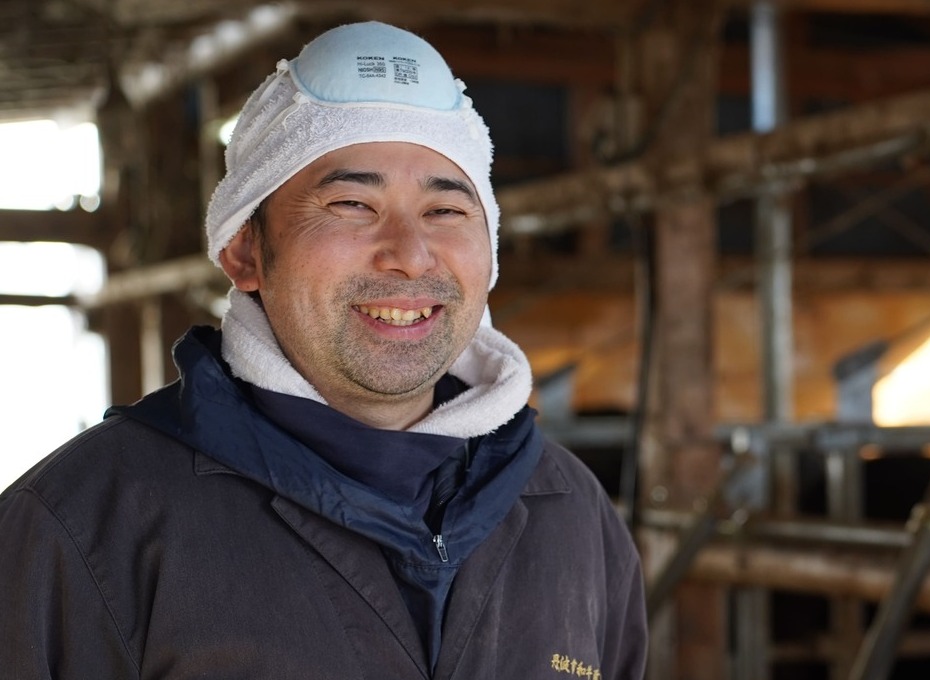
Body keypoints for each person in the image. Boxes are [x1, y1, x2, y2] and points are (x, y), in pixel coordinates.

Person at [0, 21, 646, 678]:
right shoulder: (80, 530)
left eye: (446, 211)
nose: (410, 254)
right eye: (352, 204)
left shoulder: (570, 513)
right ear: (244, 251)